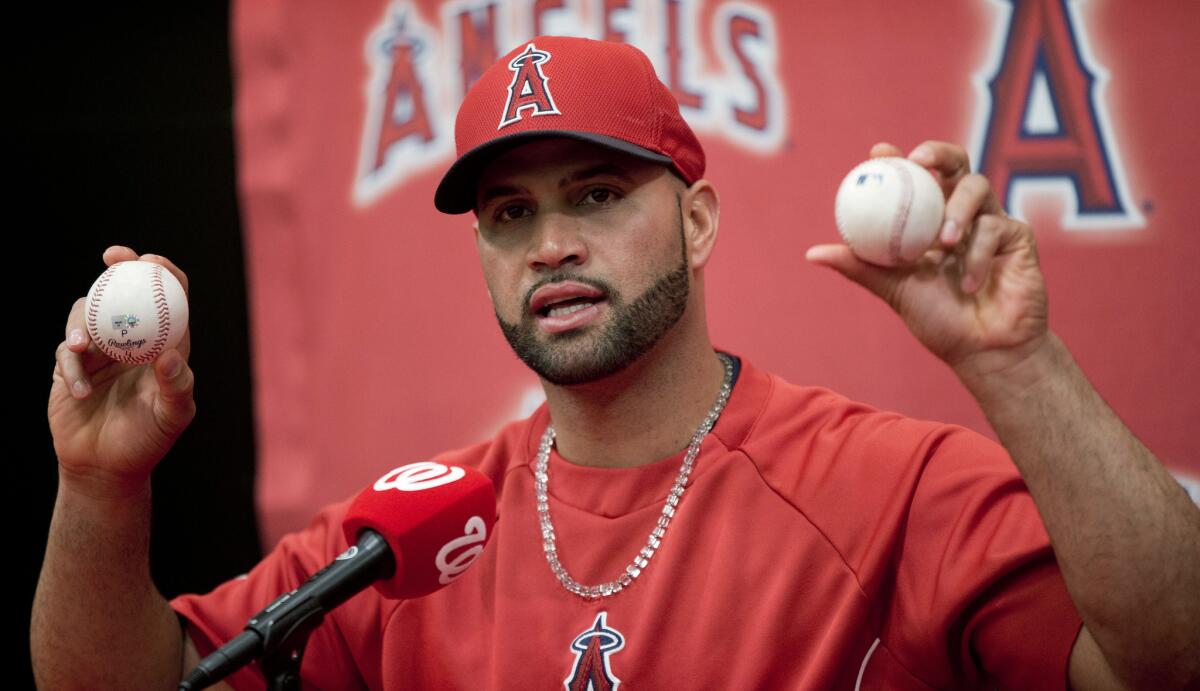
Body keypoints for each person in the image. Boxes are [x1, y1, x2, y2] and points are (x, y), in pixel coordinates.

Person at [33, 35, 1198, 691]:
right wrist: (99, 487)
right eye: (507, 212)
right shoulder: (402, 539)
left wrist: (1018, 359)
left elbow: (1169, 661)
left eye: (596, 193)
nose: (549, 242)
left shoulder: (890, 491)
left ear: (696, 221)